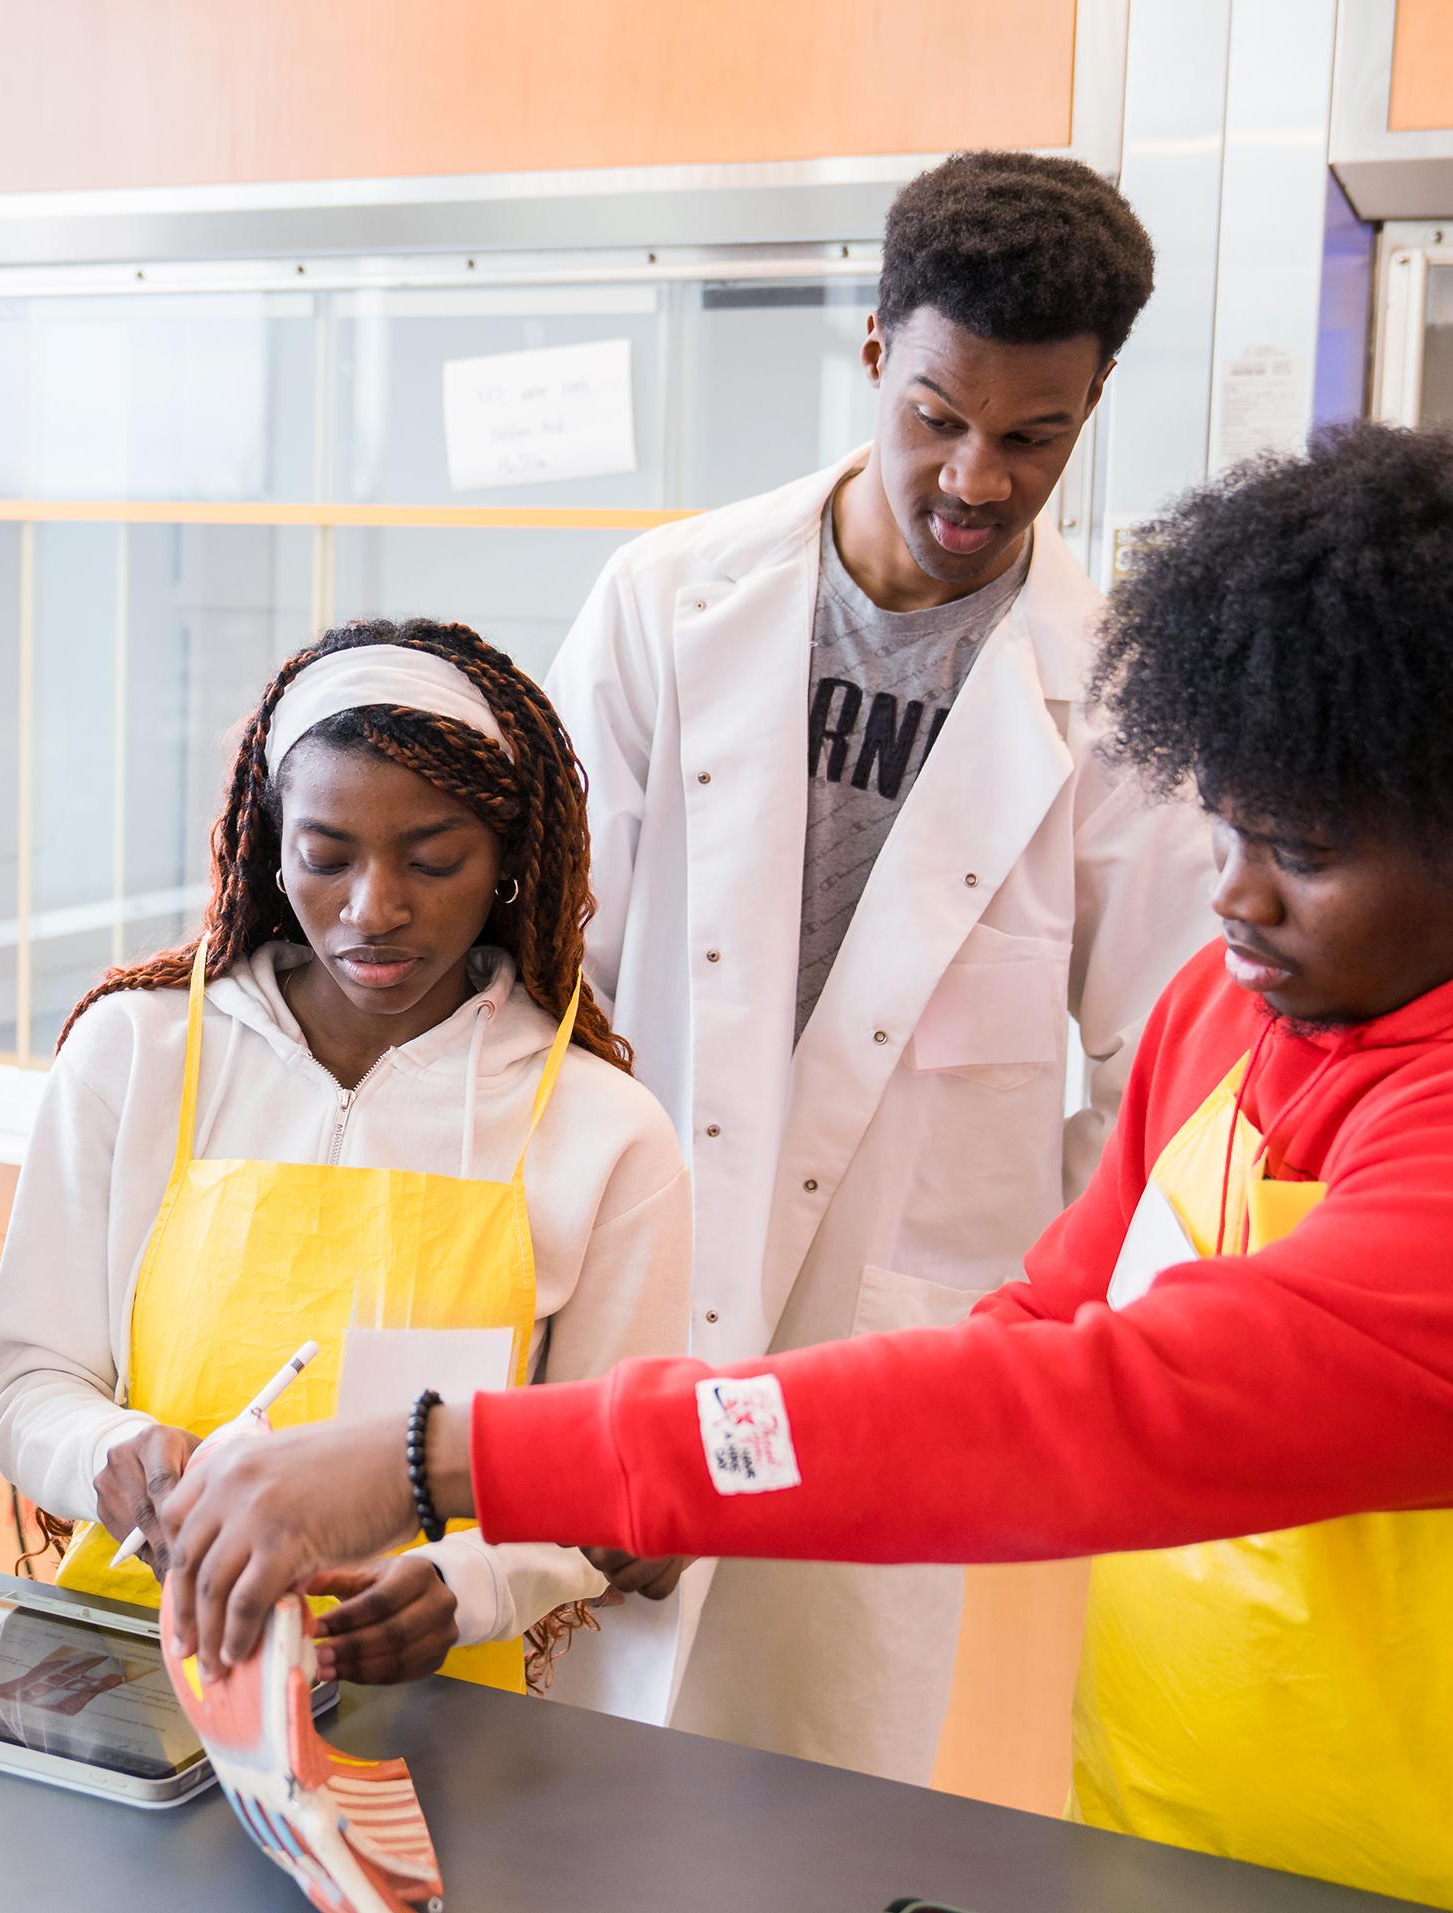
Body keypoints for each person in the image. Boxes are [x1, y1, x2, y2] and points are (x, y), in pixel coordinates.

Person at [165, 423, 1453, 1908]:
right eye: (1222, 823)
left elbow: (1079, 1409)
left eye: (1297, 850)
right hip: (1157, 1810)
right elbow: (1037, 1329)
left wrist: (435, 1455)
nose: (1228, 894)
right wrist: (627, 1492)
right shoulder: (1225, 1009)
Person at [541, 147, 1216, 1777]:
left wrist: (1019, 1309)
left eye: (1032, 436)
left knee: (817, 1781)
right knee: (557, 1764)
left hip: (901, 1339)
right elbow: (548, 979)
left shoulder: (1119, 692)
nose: (975, 476)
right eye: (936, 414)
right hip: (637, 1278)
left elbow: (1168, 1073)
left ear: (1093, 401)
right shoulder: (665, 598)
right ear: (872, 354)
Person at [0, 617, 690, 1709]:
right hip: (141, 1677)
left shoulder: (604, 1129)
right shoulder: (136, 1052)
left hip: (446, 1705)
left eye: (433, 858)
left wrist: (470, 1583)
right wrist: (109, 1453)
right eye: (326, 855)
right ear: (269, 844)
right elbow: (32, 1386)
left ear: (507, 859)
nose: (374, 908)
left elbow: (602, 1478)